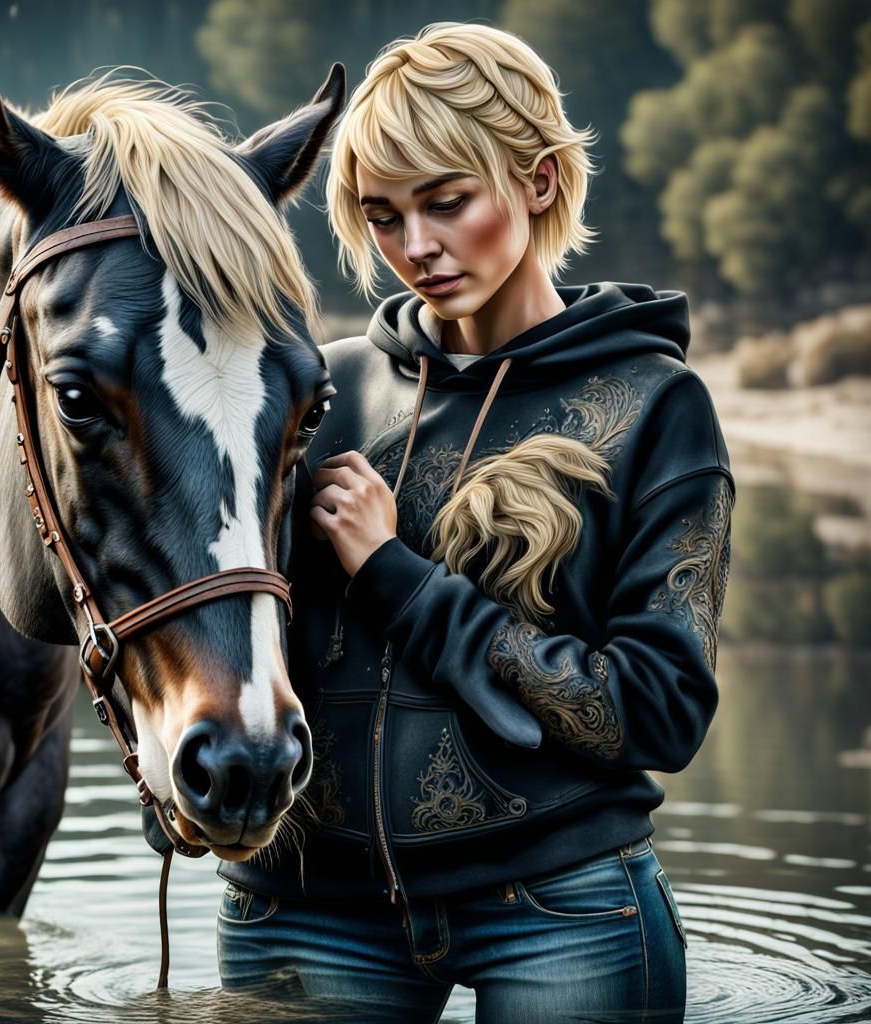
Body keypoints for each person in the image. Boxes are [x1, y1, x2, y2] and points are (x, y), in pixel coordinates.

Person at [217, 21, 733, 1024]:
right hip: (308, 905)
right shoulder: (320, 391)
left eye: (447, 202)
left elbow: (659, 713)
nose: (416, 248)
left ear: (538, 182)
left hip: (564, 907)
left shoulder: (654, 406)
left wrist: (392, 572)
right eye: (382, 215)